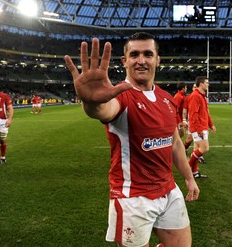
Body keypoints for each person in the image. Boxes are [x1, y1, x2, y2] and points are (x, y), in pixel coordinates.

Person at [64, 32, 199, 247]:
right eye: (134, 54)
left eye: (148, 54)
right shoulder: (120, 96)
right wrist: (91, 102)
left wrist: (189, 178)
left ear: (157, 59)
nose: (141, 60)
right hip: (132, 197)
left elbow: (174, 143)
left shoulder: (166, 98)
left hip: (169, 190)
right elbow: (103, 110)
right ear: (125, 61)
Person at [187, 76, 216, 178]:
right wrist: (199, 129)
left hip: (202, 126)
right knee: (204, 148)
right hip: (198, 128)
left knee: (197, 150)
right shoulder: (195, 96)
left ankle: (194, 173)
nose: (208, 85)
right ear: (201, 84)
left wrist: (211, 124)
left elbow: (205, 113)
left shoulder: (202, 96)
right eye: (207, 83)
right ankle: (187, 168)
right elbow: (193, 114)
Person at [182, 84, 196, 154]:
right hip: (191, 121)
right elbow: (184, 110)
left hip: (201, 122)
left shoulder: (203, 97)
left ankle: (198, 155)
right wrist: (184, 120)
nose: (195, 88)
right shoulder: (188, 98)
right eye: (194, 87)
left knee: (200, 139)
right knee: (189, 139)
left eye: (197, 87)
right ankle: (184, 148)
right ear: (192, 88)